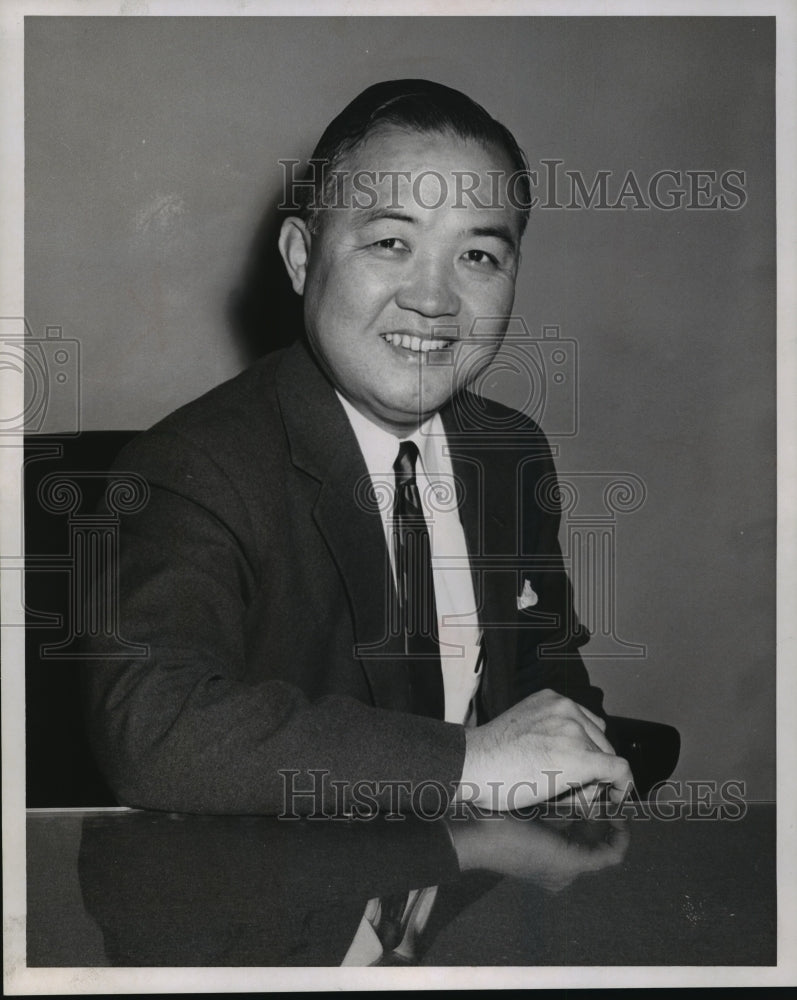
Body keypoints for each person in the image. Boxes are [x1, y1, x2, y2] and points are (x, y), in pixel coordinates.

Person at [83, 79, 632, 817]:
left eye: (478, 256)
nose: (433, 299)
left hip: (469, 877)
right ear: (301, 257)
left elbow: (544, 677)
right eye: (390, 243)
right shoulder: (195, 467)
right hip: (278, 886)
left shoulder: (510, 451)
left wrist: (577, 771)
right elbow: (153, 731)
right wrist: (469, 763)